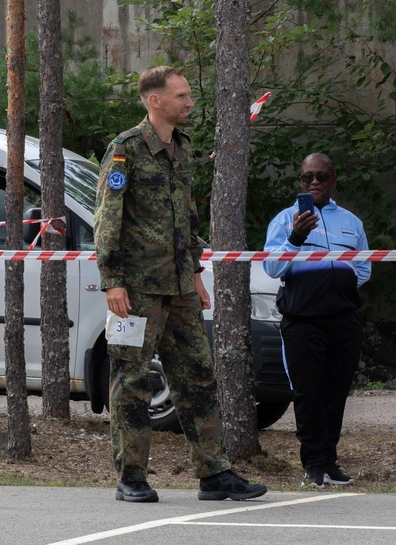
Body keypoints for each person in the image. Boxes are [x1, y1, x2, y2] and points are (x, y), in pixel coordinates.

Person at [94, 66, 267, 504]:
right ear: (155, 100)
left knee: (198, 378)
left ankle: (215, 475)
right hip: (136, 292)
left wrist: (194, 273)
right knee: (131, 382)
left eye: (189, 96)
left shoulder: (182, 148)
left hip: (179, 289)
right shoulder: (125, 149)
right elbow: (106, 220)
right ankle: (131, 477)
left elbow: (186, 219)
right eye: (182, 96)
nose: (190, 103)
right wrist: (112, 281)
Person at [263, 152, 370, 488]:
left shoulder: (352, 222)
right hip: (302, 320)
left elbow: (364, 267)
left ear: (332, 180)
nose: (314, 183)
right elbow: (271, 268)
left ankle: (330, 461)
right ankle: (312, 465)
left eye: (321, 177)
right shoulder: (284, 220)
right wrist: (295, 238)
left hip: (343, 320)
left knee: (336, 392)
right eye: (307, 177)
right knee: (308, 393)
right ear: (300, 181)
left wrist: (335, 283)